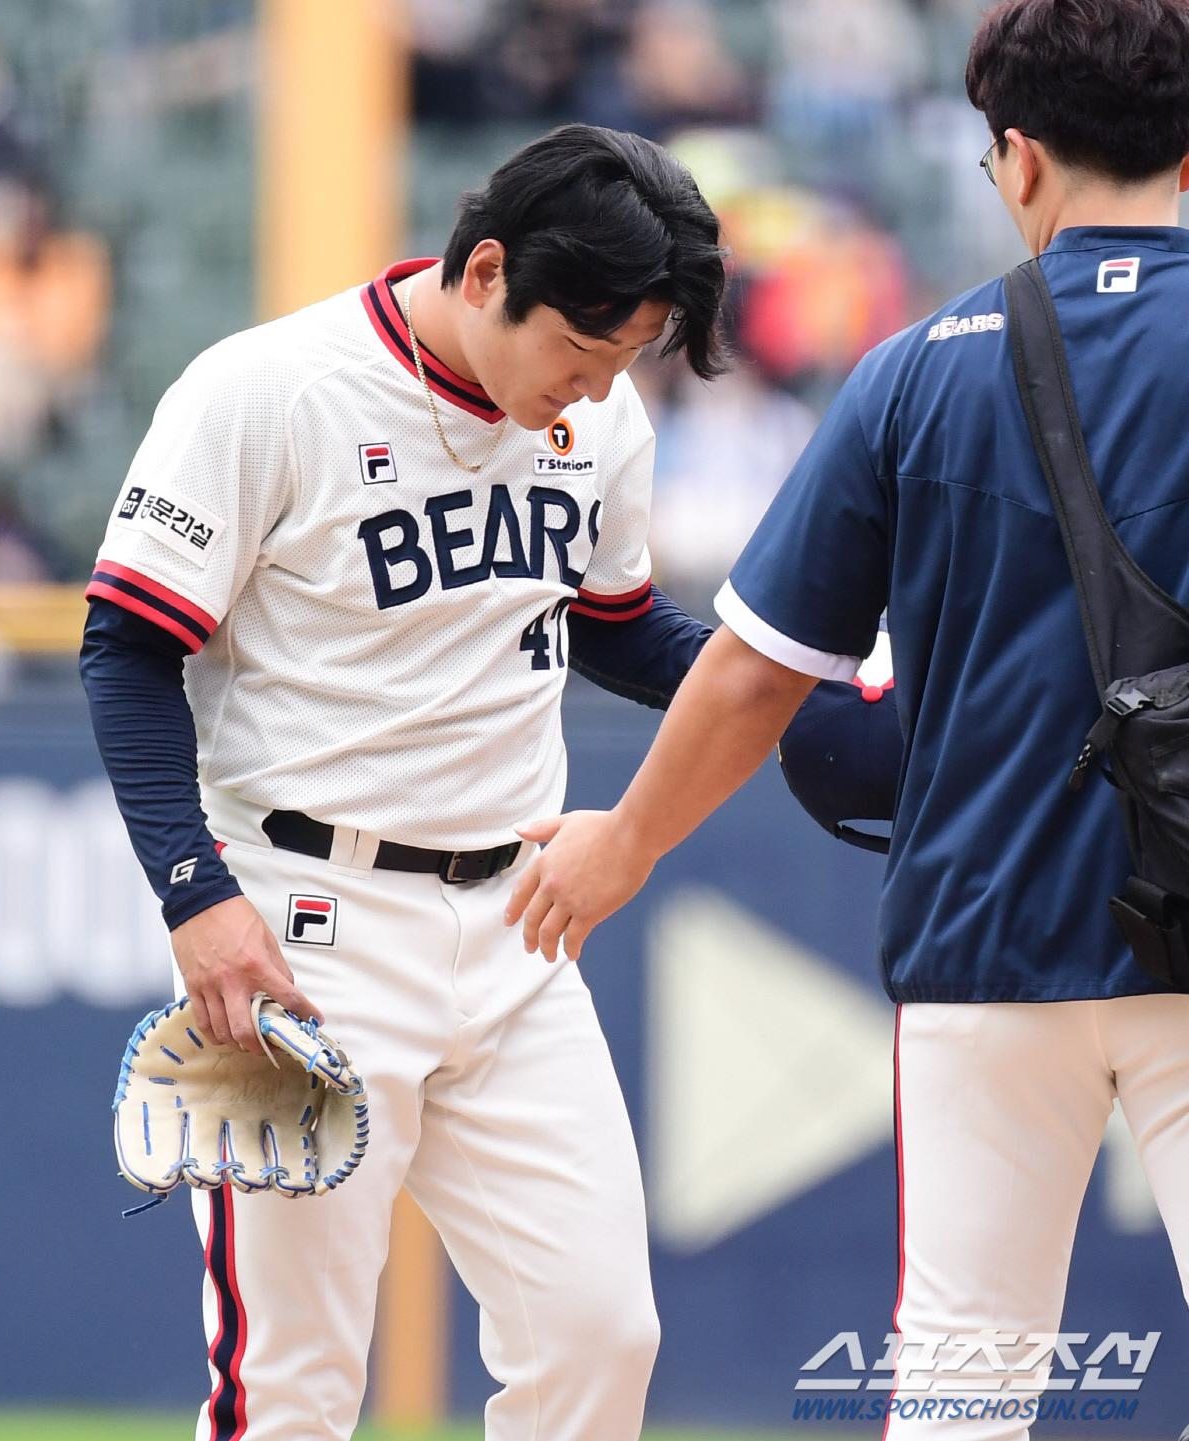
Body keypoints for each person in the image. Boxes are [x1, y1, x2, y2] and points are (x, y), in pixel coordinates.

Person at [508, 2, 1189, 1435]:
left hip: (986, 948)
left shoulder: (917, 367)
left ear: (1015, 159)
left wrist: (625, 844)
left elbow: (758, 672)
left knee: (958, 1378)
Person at [80, 124, 723, 1441]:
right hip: (305, 920)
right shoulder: (267, 389)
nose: (597, 393)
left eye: (624, 363)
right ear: (487, 270)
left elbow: (617, 625)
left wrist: (785, 674)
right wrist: (196, 897)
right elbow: (128, 648)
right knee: (295, 1389)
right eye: (583, 354)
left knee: (601, 1338)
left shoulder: (600, 421)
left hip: (520, 926)